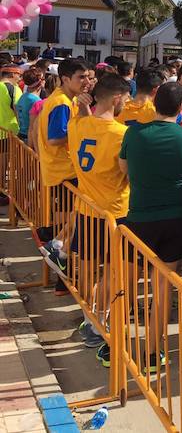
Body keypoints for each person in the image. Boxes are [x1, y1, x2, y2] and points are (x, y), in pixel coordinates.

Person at [121, 81, 182, 364]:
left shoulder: (133, 134)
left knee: (127, 285)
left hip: (139, 218)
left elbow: (125, 168)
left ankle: (113, 343)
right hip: (176, 218)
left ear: (154, 103)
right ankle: (153, 352)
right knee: (162, 289)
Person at [67, 76, 131, 363]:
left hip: (86, 208)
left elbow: (83, 127)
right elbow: (126, 172)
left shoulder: (79, 124)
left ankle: (89, 320)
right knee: (113, 272)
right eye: (126, 100)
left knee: (88, 268)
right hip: (114, 211)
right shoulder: (121, 133)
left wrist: (82, 111)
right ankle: (97, 322)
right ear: (117, 98)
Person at [36, 58, 89, 295]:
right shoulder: (61, 103)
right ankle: (57, 252)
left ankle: (54, 245)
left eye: (88, 76)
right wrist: (81, 131)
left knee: (74, 221)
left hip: (63, 170)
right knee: (78, 222)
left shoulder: (66, 100)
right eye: (81, 77)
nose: (87, 81)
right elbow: (55, 138)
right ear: (65, 79)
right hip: (64, 173)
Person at [15, 68, 42, 141]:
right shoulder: (36, 101)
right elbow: (35, 127)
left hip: (20, 135)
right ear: (40, 83)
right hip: (30, 139)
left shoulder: (23, 97)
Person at [0, 64, 22, 139]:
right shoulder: (14, 89)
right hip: (10, 133)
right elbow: (18, 110)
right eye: (19, 75)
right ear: (13, 74)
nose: (20, 78)